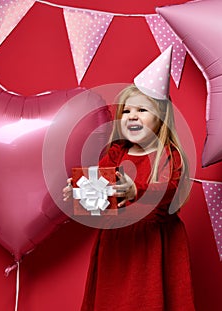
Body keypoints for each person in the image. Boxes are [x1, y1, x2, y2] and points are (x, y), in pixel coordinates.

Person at [63, 47, 195, 310]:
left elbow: (168, 191)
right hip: (117, 245)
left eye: (142, 111)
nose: (132, 116)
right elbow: (98, 195)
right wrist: (79, 192)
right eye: (126, 111)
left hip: (152, 248)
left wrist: (137, 190)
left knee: (146, 301)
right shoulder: (115, 153)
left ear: (161, 119)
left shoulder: (169, 156)